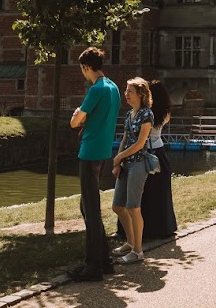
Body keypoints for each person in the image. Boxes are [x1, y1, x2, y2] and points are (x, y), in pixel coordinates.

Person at [68, 46, 120, 282]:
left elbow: (75, 122)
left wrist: (78, 113)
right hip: (103, 152)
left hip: (89, 153)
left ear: (86, 67)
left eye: (82, 69)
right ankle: (105, 260)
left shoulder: (95, 89)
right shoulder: (113, 87)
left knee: (90, 208)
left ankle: (93, 266)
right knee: (87, 206)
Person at [111, 78, 154, 265]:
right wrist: (118, 161)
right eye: (126, 90)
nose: (126, 94)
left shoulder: (147, 114)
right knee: (118, 206)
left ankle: (138, 251)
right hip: (126, 163)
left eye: (130, 91)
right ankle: (130, 242)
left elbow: (140, 143)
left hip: (138, 164)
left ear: (141, 94)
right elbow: (125, 139)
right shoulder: (130, 114)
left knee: (133, 207)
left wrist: (120, 157)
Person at [139, 79, 178, 238]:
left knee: (144, 193)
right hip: (160, 152)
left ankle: (146, 229)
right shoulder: (165, 112)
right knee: (161, 193)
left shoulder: (145, 112)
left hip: (146, 152)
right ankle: (164, 227)